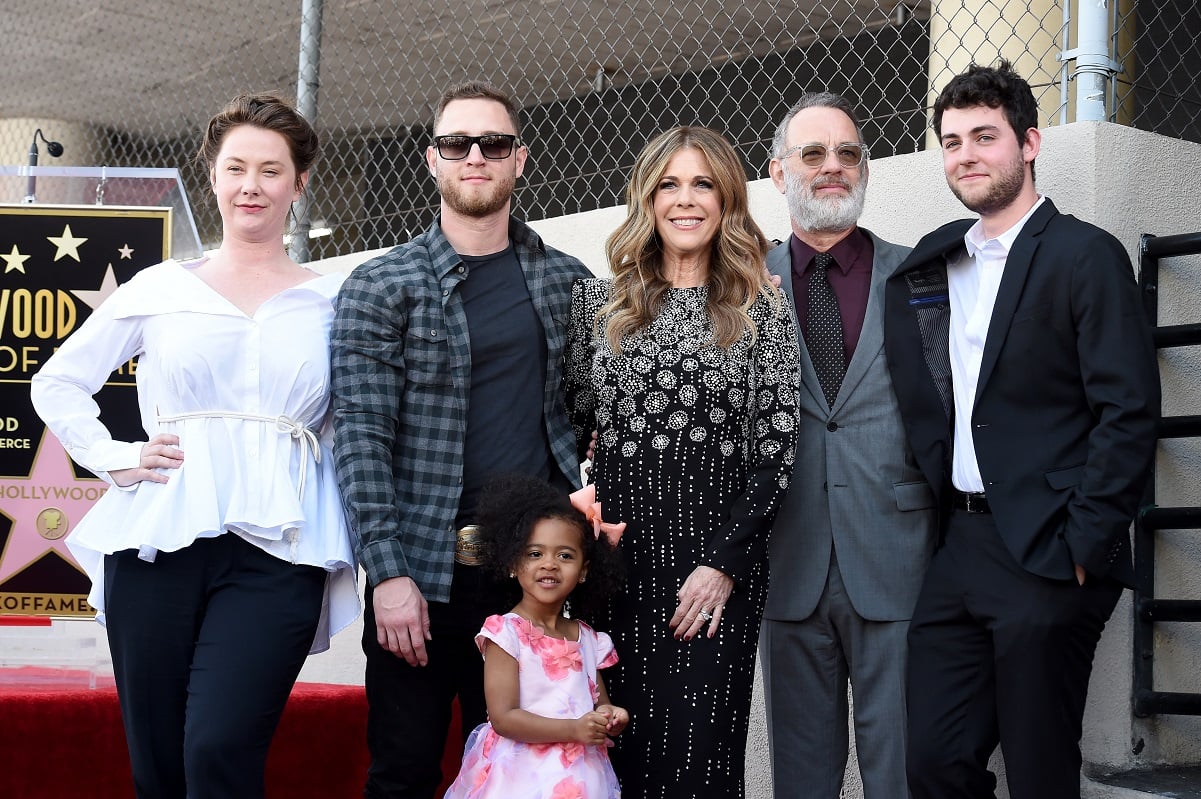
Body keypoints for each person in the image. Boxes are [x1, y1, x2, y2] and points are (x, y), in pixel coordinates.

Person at [29, 92, 360, 799]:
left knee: (217, 748)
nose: (251, 185)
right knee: (159, 766)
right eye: (236, 167)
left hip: (281, 545)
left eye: (271, 171)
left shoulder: (335, 302)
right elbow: (57, 381)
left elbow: (356, 422)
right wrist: (117, 456)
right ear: (212, 176)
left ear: (299, 184)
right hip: (158, 539)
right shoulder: (161, 286)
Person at [883, 61, 1160, 798]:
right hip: (959, 546)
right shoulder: (934, 262)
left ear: (1028, 142)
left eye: (984, 136)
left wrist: (1084, 544)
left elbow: (1127, 410)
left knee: (1038, 771)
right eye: (950, 142)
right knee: (934, 761)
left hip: (1049, 549)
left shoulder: (1082, 254)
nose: (965, 155)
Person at [331, 81, 593, 799]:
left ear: (520, 160)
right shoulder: (380, 285)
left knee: (531, 775)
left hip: (530, 582)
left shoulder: (568, 283)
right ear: (432, 160)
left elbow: (589, 423)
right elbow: (360, 441)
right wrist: (387, 575)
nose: (475, 155)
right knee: (405, 771)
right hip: (422, 577)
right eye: (457, 143)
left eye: (494, 143)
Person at [565, 125, 800, 798]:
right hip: (615, 570)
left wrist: (722, 565)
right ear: (647, 198)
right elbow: (575, 430)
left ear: (726, 198)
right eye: (669, 184)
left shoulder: (761, 308)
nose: (685, 199)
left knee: (699, 759)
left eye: (702, 183)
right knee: (614, 756)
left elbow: (776, 455)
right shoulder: (596, 307)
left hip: (712, 573)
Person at [759, 92, 936, 799]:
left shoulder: (921, 273)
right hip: (785, 558)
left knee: (902, 771)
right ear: (778, 173)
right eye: (812, 153)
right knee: (801, 778)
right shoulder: (740, 281)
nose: (832, 167)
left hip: (897, 555)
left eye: (848, 153)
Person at [442, 474, 628, 799]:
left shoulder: (587, 638)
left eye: (565, 556)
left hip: (581, 775)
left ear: (584, 570)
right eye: (535, 554)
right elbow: (504, 718)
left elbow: (600, 704)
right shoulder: (505, 632)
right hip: (521, 776)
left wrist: (612, 718)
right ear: (514, 563)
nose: (550, 565)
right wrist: (574, 729)